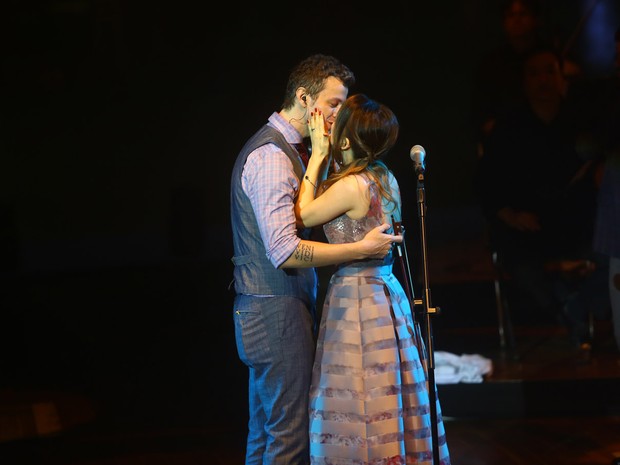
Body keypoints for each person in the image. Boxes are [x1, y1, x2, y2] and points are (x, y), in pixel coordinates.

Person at [230, 54, 403, 465]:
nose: (340, 114)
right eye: (334, 103)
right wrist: (359, 251)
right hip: (273, 311)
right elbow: (285, 250)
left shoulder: (298, 151)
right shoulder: (271, 157)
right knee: (288, 439)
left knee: (268, 434)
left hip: (279, 308)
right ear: (305, 99)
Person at [296, 94, 451, 464]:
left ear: (346, 141)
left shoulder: (351, 187)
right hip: (386, 292)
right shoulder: (384, 175)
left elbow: (303, 214)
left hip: (359, 298)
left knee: (360, 391)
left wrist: (317, 155)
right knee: (386, 388)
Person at [473, 47, 603, 348]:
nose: (543, 80)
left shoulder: (581, 121)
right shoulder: (508, 126)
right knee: (521, 264)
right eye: (534, 73)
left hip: (575, 225)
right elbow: (485, 182)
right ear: (524, 80)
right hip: (525, 228)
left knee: (605, 257)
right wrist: (511, 215)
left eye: (549, 72)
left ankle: (576, 304)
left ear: (562, 77)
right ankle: (566, 310)